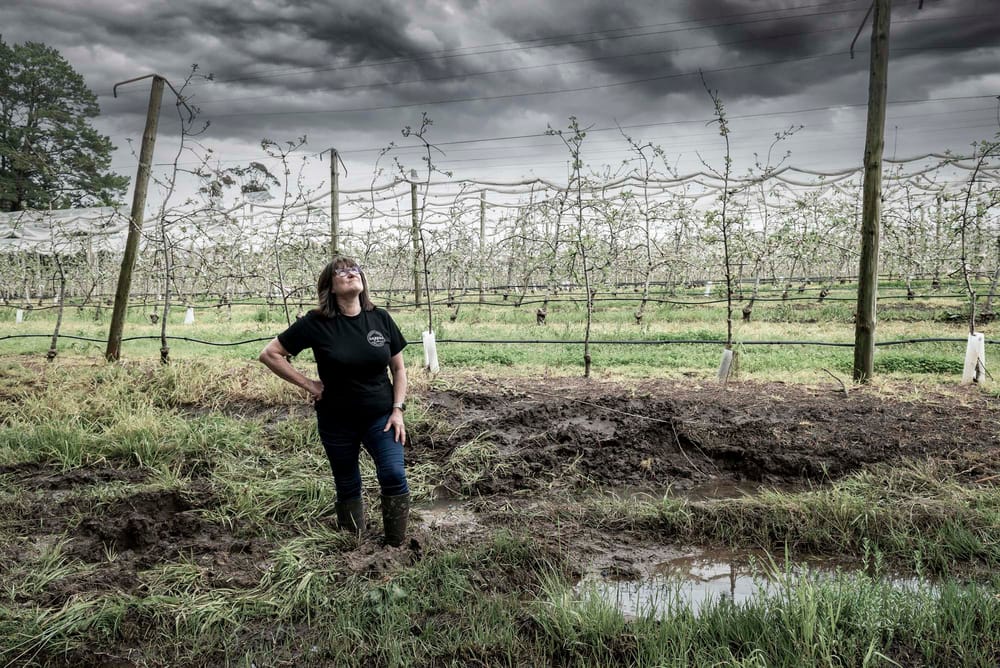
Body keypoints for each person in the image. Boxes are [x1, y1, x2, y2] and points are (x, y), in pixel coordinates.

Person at [259, 257, 410, 546]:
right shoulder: (316, 323)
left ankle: (396, 545)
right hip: (336, 420)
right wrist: (310, 385)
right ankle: (352, 545)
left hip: (381, 415)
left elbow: (399, 369)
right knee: (347, 482)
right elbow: (270, 354)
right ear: (329, 285)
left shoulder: (380, 318)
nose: (351, 273)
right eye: (342, 271)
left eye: (355, 269)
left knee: (393, 473)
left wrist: (397, 410)